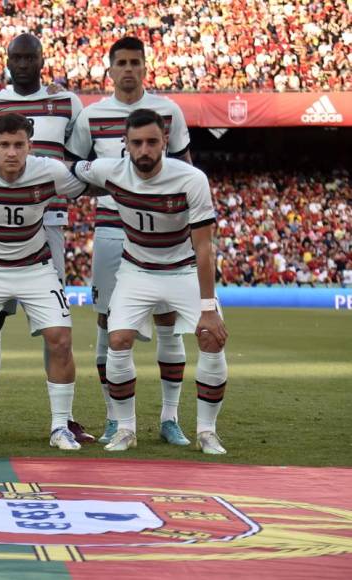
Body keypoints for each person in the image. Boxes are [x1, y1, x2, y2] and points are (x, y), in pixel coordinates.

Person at [71, 109, 229, 454]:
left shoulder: (191, 179)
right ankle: (126, 429)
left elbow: (204, 247)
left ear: (165, 143)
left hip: (183, 268)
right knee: (118, 339)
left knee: (212, 338)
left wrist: (208, 309)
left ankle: (207, 431)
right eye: (137, 142)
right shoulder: (108, 170)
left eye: (152, 142)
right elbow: (70, 170)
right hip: (136, 269)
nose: (145, 149)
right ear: (124, 144)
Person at [66, 36, 194, 446]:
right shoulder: (92, 116)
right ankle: (113, 418)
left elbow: (187, 171)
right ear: (110, 68)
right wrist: (110, 190)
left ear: (144, 67)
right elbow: (75, 172)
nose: (127, 69)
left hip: (164, 236)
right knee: (107, 323)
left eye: (134, 62)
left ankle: (170, 418)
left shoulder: (169, 111)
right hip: (110, 231)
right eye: (120, 62)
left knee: (167, 322)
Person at [0, 33, 91, 442]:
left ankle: (64, 418)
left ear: (43, 59)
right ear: (7, 60)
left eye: (30, 56)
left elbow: (78, 159)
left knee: (53, 321)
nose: (23, 63)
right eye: (16, 57)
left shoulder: (67, 102)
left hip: (50, 221)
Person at [0, 113, 86, 450]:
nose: (11, 152)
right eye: (4, 145)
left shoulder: (50, 171)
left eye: (18, 145)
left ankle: (59, 427)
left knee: (61, 339)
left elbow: (85, 183)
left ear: (30, 146)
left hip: (35, 267)